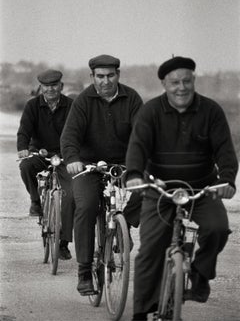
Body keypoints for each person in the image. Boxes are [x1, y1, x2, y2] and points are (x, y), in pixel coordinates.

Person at [125, 56, 239, 321]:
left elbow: (225, 150)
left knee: (217, 229)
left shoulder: (211, 111)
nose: (181, 87)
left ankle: (200, 274)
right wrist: (133, 175)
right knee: (150, 249)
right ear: (164, 84)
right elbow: (138, 147)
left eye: (187, 81)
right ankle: (141, 311)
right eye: (174, 82)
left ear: (194, 80)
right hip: (161, 188)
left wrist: (227, 180)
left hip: (202, 189)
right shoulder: (150, 112)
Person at [60, 54, 143, 295]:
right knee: (85, 207)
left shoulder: (132, 98)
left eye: (110, 75)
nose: (105, 81)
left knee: (148, 186)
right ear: (92, 77)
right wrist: (73, 160)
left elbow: (144, 132)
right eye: (100, 76)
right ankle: (84, 270)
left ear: (118, 74)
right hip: (89, 165)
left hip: (125, 163)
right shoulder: (84, 101)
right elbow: (70, 135)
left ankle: (124, 225)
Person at [17, 69, 75, 260]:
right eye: (46, 86)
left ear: (61, 86)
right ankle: (35, 201)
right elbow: (24, 130)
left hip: (64, 155)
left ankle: (64, 243)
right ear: (40, 87)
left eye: (54, 85)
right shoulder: (32, 106)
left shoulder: (72, 106)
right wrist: (23, 148)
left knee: (71, 195)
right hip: (40, 153)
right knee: (26, 166)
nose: (50, 89)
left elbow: (79, 131)